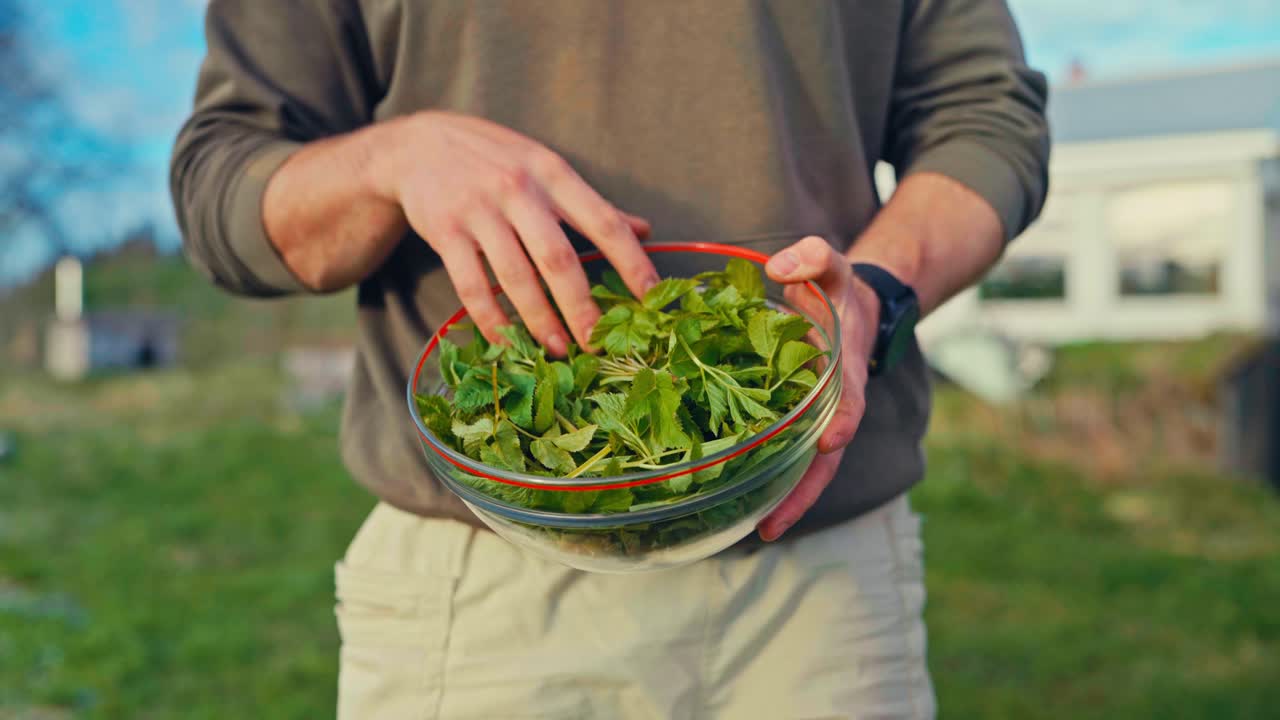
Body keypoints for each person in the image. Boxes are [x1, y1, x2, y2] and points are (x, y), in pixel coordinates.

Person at [171, 1, 1049, 717]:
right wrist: (390, 158)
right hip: (480, 588)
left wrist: (878, 292)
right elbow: (224, 188)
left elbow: (987, 117)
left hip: (818, 574)